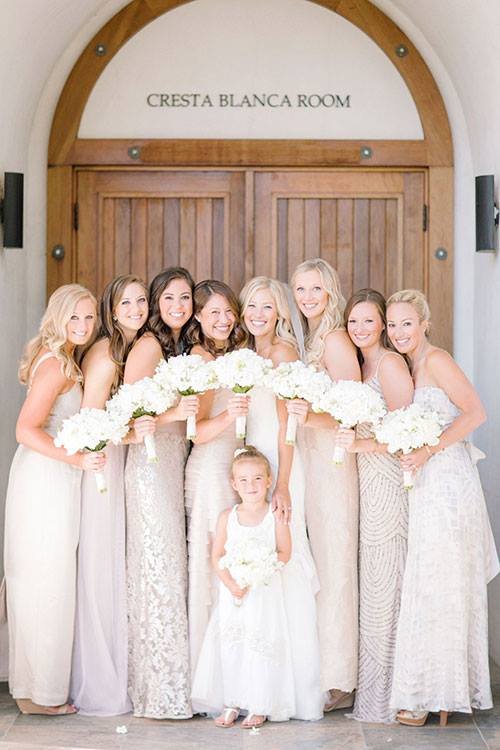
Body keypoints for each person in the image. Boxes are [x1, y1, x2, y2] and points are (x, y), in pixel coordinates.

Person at [386, 289, 499, 727]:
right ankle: (435, 691)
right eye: (392, 324)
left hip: (449, 482)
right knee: (429, 581)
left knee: (443, 582)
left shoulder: (436, 360)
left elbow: (475, 413)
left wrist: (429, 450)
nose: (398, 332)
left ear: (424, 323)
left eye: (406, 323)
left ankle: (440, 693)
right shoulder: (411, 365)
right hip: (426, 484)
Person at [4, 284, 102, 715]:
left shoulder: (61, 357)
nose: (84, 326)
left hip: (47, 474)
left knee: (41, 576)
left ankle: (32, 692)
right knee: (47, 578)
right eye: (75, 318)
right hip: (45, 477)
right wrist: (77, 458)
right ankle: (40, 695)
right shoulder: (58, 366)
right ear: (57, 319)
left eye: (89, 318)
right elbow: (26, 429)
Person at [240, 276, 323, 720]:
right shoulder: (248, 355)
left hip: (280, 464)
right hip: (252, 462)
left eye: (267, 308)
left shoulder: (283, 354)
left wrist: (284, 482)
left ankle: (292, 685)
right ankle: (259, 678)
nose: (257, 315)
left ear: (281, 315)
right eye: (252, 306)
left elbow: (288, 425)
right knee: (259, 568)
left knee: (283, 563)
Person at [71, 275, 148, 715]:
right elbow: (91, 422)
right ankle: (100, 676)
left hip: (119, 461)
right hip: (102, 464)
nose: (136, 308)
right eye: (127, 302)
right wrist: (133, 434)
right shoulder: (105, 354)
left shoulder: (130, 347)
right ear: (112, 310)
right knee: (101, 561)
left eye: (141, 301)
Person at [335, 288, 413, 723]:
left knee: (387, 583)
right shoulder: (362, 365)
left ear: (382, 323)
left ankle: (392, 695)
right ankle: (374, 690)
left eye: (368, 321)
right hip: (364, 481)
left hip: (386, 482)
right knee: (373, 585)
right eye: (353, 322)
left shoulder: (389, 364)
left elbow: (406, 434)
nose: (360, 328)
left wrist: (360, 442)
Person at [124, 267, 198, 719]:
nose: (178, 304)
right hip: (151, 465)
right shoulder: (149, 345)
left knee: (173, 565)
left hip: (175, 462)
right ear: (156, 301)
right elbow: (130, 411)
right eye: (169, 297)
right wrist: (176, 412)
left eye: (185, 297)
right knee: (159, 566)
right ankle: (160, 690)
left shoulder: (182, 345)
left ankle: (176, 681)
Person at [288, 258, 360, 709]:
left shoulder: (334, 340)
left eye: (315, 289)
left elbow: (353, 407)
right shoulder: (309, 340)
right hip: (310, 465)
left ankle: (340, 679)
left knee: (335, 568)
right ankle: (321, 666)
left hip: (333, 465)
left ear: (330, 291)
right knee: (318, 568)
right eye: (300, 290)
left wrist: (307, 415)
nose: (307, 298)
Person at [191, 446, 294, 728]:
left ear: (269, 480)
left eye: (258, 479)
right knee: (232, 647)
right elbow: (217, 556)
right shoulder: (228, 516)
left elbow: (285, 552)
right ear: (234, 484)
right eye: (244, 480)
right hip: (234, 595)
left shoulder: (275, 515)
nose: (251, 485)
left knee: (259, 646)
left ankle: (259, 704)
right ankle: (232, 702)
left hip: (262, 593)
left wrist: (262, 571)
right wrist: (231, 584)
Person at [184, 280, 247, 677]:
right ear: (198, 318)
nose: (223, 320)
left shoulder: (237, 353)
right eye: (213, 314)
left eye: (228, 312)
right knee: (213, 564)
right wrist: (230, 415)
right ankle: (210, 674)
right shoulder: (201, 359)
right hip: (209, 470)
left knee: (233, 562)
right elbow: (196, 431)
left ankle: (235, 666)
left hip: (233, 469)